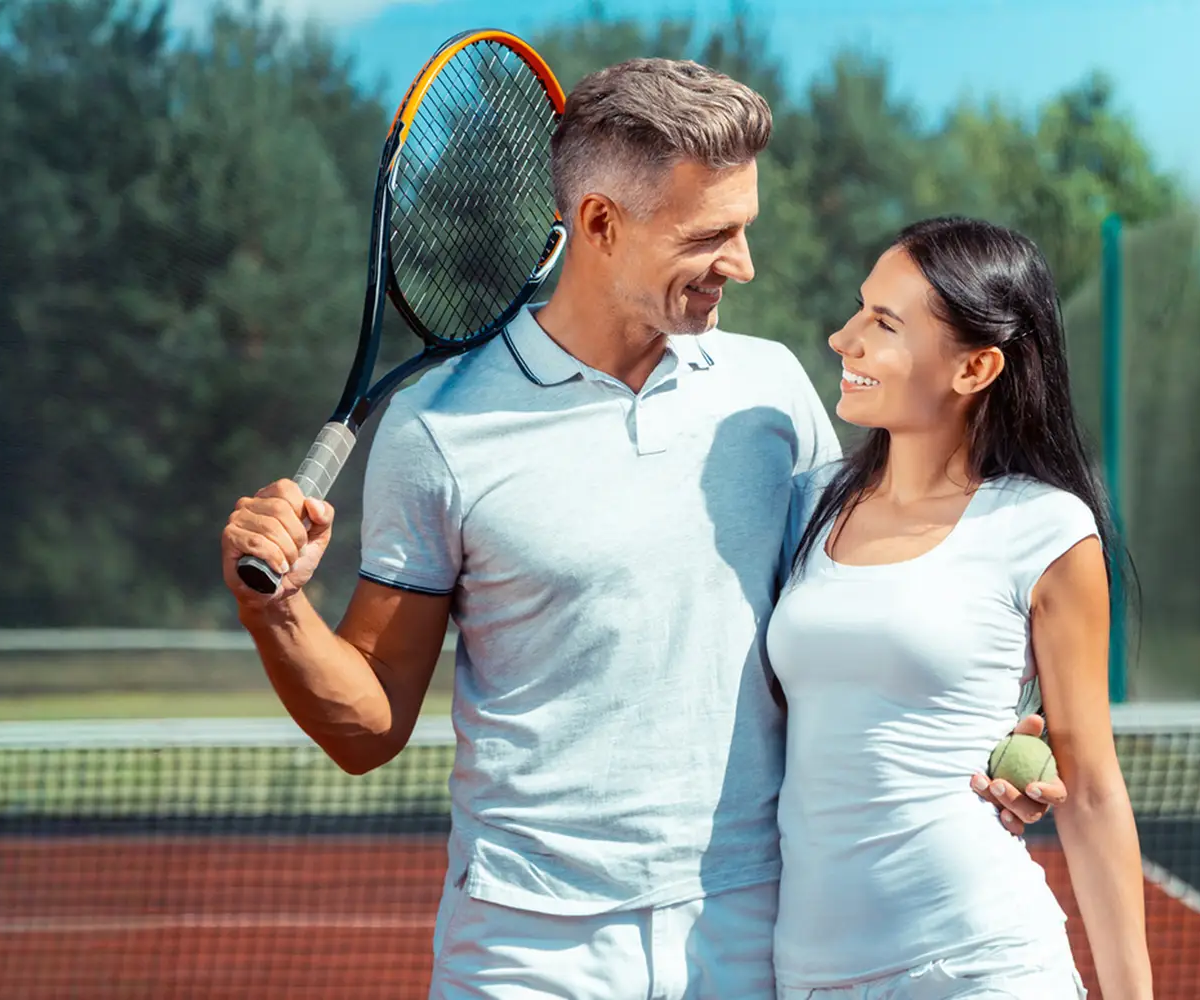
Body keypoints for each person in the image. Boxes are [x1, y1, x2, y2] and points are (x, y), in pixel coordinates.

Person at [219, 59, 1054, 998]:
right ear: (602, 224)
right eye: (712, 235)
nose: (743, 263)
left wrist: (988, 734)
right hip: (526, 946)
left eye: (746, 228)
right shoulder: (438, 429)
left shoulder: (772, 391)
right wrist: (280, 616)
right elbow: (367, 724)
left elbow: (866, 610)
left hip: (752, 922)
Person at [766, 216, 1154, 999]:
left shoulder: (1046, 527)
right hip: (808, 977)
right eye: (858, 309)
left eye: (885, 323)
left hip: (979, 965)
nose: (844, 338)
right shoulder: (805, 506)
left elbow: (1093, 788)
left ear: (975, 367)